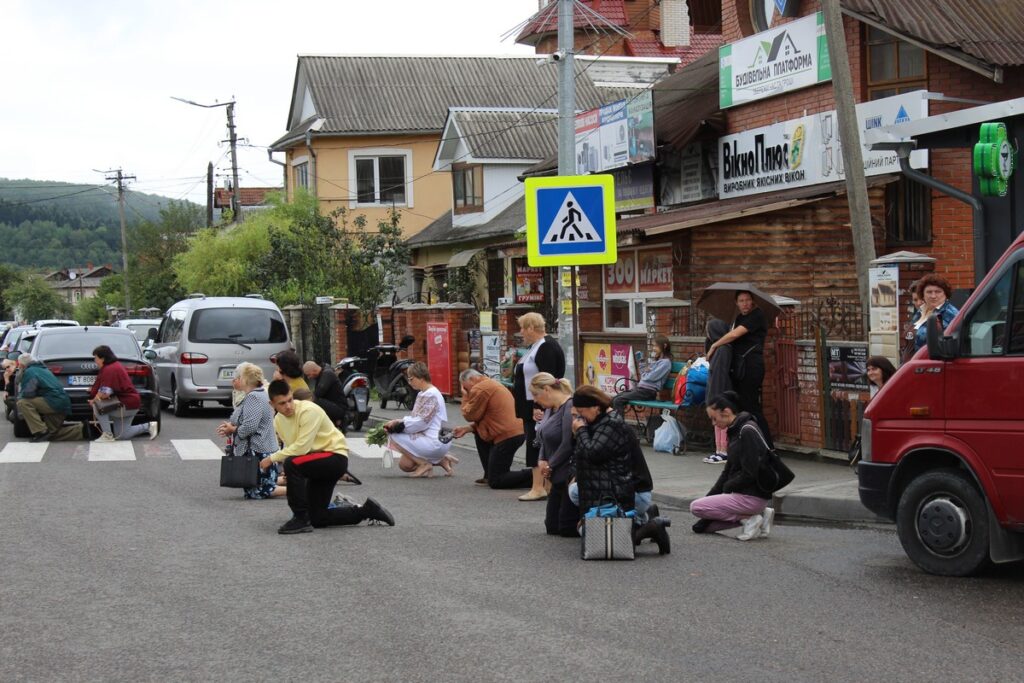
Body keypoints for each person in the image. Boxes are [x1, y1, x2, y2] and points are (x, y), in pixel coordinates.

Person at [260, 379, 395, 534]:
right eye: (282, 403)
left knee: (292, 463)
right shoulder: (278, 420)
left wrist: (272, 458)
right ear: (272, 405)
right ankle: (366, 511)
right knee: (317, 518)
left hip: (334, 458)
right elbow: (292, 448)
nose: (288, 406)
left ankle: (299, 518)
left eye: (290, 400)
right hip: (315, 462)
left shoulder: (308, 410)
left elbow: (301, 448)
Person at [570, 385, 669, 553]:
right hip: (621, 490)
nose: (579, 418)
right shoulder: (601, 422)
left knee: (594, 535)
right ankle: (641, 517)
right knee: (574, 492)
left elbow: (592, 453)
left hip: (631, 492)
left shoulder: (612, 425)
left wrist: (580, 431)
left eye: (581, 412)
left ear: (595, 407)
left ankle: (650, 527)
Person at [690, 391, 775, 541]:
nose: (713, 424)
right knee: (704, 527)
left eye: (714, 418)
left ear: (726, 412)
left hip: (751, 496)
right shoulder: (736, 431)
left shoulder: (746, 431)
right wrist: (711, 498)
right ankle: (759, 515)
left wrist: (728, 487)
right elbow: (727, 471)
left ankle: (749, 518)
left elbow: (750, 473)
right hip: (745, 496)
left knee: (696, 507)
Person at [706, 290, 773, 450]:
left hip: (751, 367)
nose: (745, 303)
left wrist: (715, 345)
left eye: (747, 300)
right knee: (741, 407)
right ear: (737, 303)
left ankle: (768, 446)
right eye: (741, 301)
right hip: (740, 368)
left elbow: (735, 335)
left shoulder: (757, 315)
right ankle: (748, 444)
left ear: (753, 301)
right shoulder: (739, 318)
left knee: (752, 407)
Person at [512, 312, 565, 501]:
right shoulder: (537, 347)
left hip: (538, 406)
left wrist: (539, 407)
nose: (521, 332)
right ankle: (545, 486)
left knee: (536, 444)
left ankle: (538, 487)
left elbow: (546, 380)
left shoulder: (546, 347)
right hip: (531, 405)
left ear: (531, 328)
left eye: (522, 328)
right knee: (538, 443)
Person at [217, 362, 284, 500]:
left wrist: (232, 429)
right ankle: (296, 485)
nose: (237, 379)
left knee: (260, 491)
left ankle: (299, 490)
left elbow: (250, 426)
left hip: (258, 450)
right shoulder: (258, 394)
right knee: (255, 487)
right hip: (262, 447)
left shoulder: (254, 397)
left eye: (239, 376)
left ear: (245, 379)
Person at [454, 369, 529, 489]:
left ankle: (536, 476)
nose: (466, 389)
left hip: (507, 436)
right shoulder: (490, 383)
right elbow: (488, 415)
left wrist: (465, 396)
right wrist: (468, 429)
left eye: (464, 386)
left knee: (497, 481)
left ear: (472, 379)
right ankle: (489, 474)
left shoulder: (480, 388)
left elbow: (470, 415)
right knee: (478, 434)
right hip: (512, 432)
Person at [383, 362, 454, 478]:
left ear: (421, 378)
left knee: (392, 435)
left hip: (435, 441)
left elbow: (421, 422)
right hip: (438, 439)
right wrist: (399, 421)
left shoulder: (430, 394)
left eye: (411, 379)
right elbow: (417, 418)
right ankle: (440, 460)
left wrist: (398, 425)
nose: (409, 382)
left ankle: (424, 464)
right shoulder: (425, 393)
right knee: (405, 465)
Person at [530, 372, 578, 537]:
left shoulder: (569, 407)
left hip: (567, 472)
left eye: (536, 394)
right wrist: (542, 459)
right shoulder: (551, 408)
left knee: (566, 529)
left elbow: (567, 444)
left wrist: (551, 464)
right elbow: (543, 436)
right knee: (552, 527)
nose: (535, 400)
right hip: (556, 473)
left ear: (547, 389)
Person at [88, 345, 157, 442]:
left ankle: (107, 435)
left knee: (97, 406)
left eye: (96, 358)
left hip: (126, 403)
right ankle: (149, 426)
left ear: (103, 358)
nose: (95, 361)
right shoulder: (114, 366)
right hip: (130, 403)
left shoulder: (109, 369)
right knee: (122, 435)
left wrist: (94, 400)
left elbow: (105, 392)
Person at [15, 354, 84, 442]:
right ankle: (83, 430)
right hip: (60, 403)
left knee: (23, 402)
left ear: (21, 364)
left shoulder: (30, 372)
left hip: (53, 402)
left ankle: (41, 431)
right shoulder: (42, 369)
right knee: (52, 435)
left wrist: (20, 373)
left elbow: (28, 393)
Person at [611, 335, 673, 417]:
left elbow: (650, 377)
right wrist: (641, 362)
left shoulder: (665, 363)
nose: (653, 348)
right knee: (614, 398)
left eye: (656, 346)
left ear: (664, 346)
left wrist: (647, 372)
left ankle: (618, 426)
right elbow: (644, 374)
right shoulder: (657, 361)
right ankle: (615, 423)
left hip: (648, 392)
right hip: (641, 389)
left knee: (618, 400)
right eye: (653, 346)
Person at [703, 318, 733, 463]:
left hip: (720, 392)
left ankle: (724, 451)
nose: (707, 334)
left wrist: (717, 397)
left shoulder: (723, 350)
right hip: (715, 391)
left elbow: (720, 375)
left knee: (723, 422)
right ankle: (718, 450)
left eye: (709, 330)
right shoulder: (717, 349)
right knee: (717, 422)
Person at [913, 274, 960, 351]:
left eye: (938, 292)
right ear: (922, 294)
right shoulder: (920, 311)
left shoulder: (951, 314)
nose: (933, 296)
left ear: (945, 294)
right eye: (929, 292)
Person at [303, 360, 347, 430]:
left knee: (314, 401)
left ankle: (339, 421)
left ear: (314, 370)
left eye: (308, 374)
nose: (308, 377)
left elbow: (318, 393)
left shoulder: (327, 374)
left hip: (339, 408)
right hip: (332, 405)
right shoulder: (321, 375)